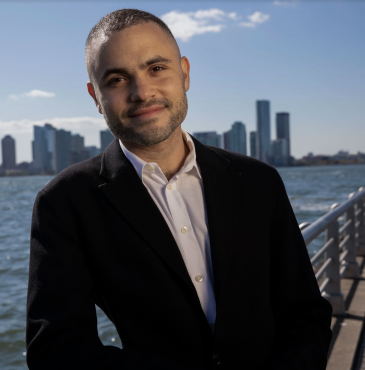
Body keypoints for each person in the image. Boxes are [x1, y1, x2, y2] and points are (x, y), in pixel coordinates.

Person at [26, 8, 332, 370]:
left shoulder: (257, 181)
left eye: (157, 69)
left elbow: (304, 313)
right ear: (96, 96)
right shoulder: (66, 202)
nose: (142, 92)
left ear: (184, 73)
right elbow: (56, 349)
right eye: (118, 79)